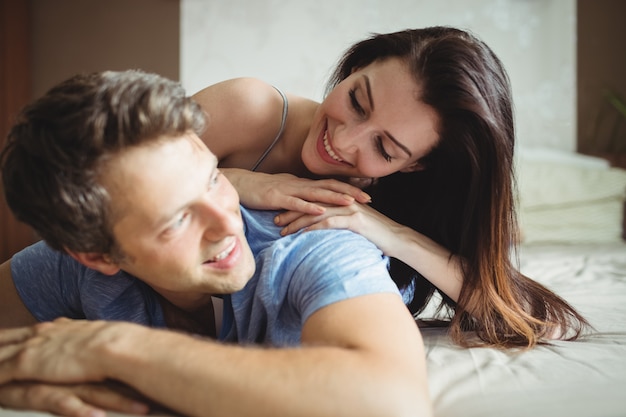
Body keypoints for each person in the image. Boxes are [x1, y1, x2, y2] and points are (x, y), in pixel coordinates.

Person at [0, 70, 431, 417]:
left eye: (213, 179)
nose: (228, 222)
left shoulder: (311, 244)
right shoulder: (75, 267)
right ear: (99, 255)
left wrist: (112, 349)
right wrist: (18, 379)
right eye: (178, 218)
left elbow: (395, 400)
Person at [191, 26, 589, 348]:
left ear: (417, 164)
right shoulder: (250, 109)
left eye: (384, 147)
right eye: (357, 102)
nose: (345, 141)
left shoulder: (403, 202)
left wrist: (389, 232)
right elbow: (128, 173)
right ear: (355, 68)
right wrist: (237, 182)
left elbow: (539, 321)